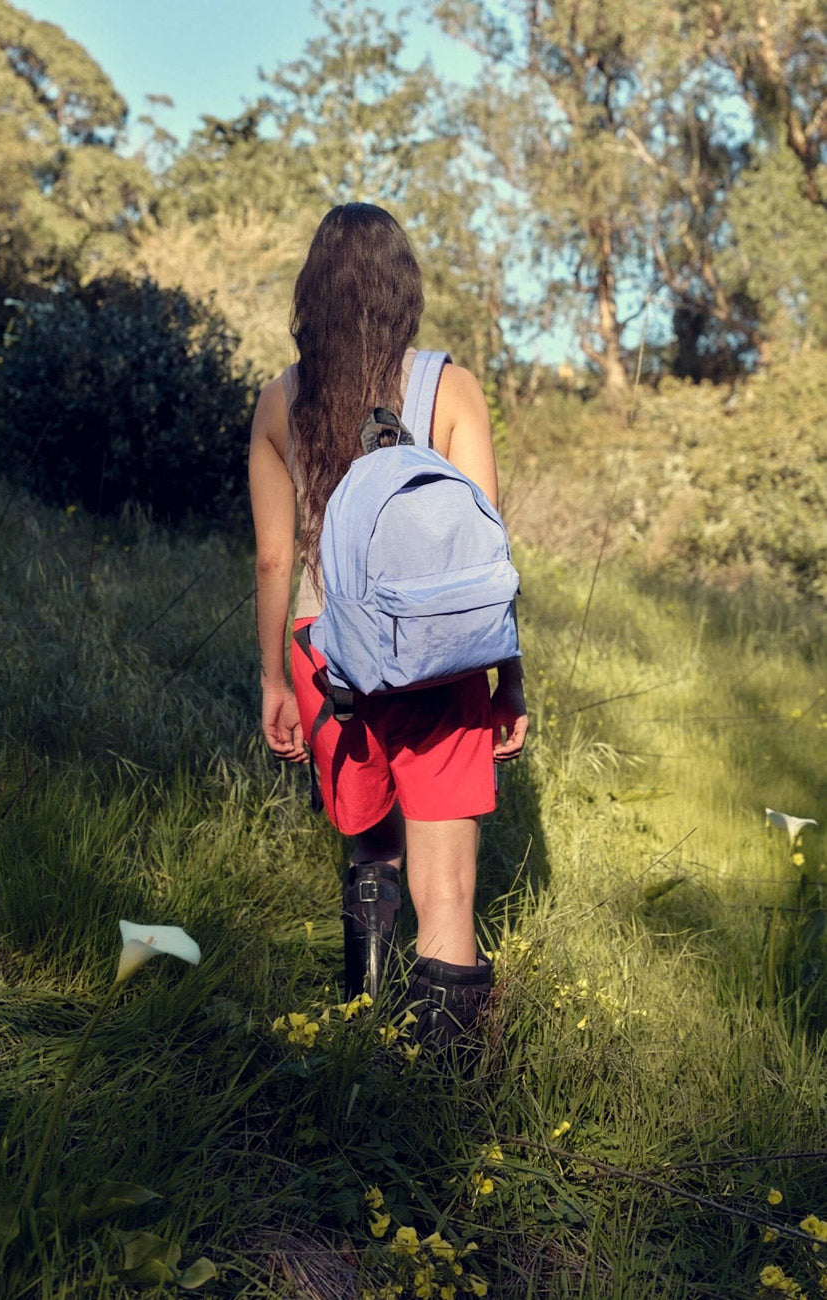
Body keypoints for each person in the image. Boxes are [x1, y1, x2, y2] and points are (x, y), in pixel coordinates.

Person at [248, 203, 528, 1046]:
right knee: (449, 891)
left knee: (373, 849)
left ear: (312, 294)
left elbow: (273, 559)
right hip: (439, 654)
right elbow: (487, 549)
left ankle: (360, 1028)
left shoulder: (280, 400)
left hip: (326, 652)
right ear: (404, 292)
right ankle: (441, 1083)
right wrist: (510, 678)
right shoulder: (452, 387)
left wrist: (274, 679)